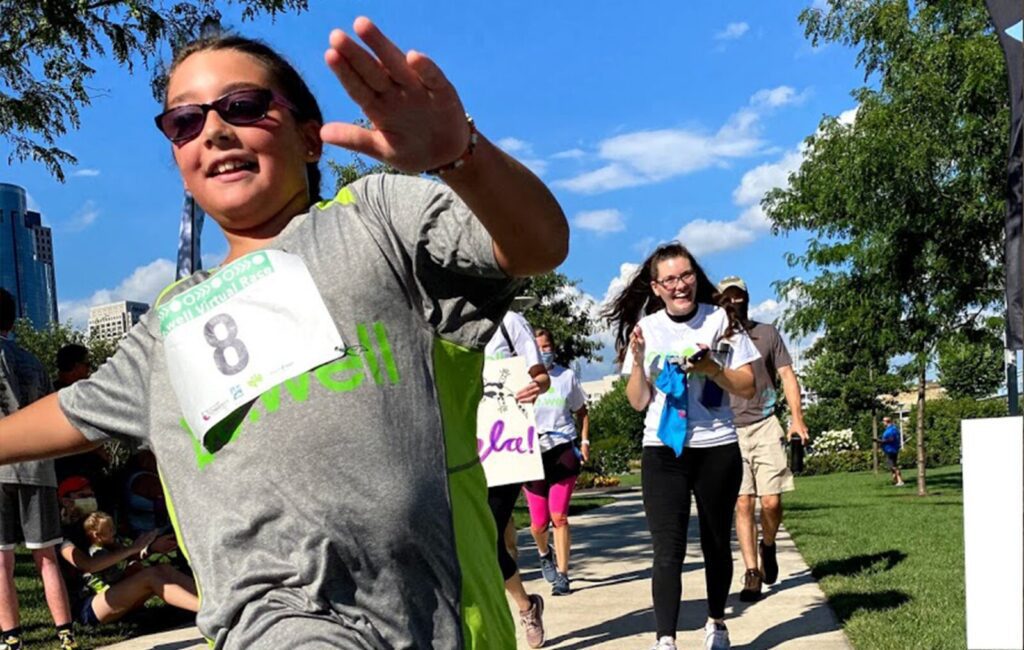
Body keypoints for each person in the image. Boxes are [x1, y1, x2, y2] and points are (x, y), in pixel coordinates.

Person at [0, 17, 568, 650]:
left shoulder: (375, 220)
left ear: (309, 137)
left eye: (242, 107)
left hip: (430, 618)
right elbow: (73, 412)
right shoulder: (171, 319)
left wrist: (461, 156)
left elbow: (538, 244)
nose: (213, 131)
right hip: (265, 625)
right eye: (184, 122)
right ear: (179, 162)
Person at [603, 242, 759, 650]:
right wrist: (637, 362)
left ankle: (716, 622)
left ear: (695, 276)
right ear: (656, 287)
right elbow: (638, 401)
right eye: (669, 279)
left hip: (716, 447)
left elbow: (747, 387)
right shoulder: (648, 329)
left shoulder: (721, 321)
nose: (680, 285)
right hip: (663, 450)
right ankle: (665, 639)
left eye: (686, 275)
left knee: (715, 543)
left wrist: (712, 368)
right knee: (666, 549)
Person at [716, 276, 810, 602]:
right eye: (727, 298)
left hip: (766, 423)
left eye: (738, 297)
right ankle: (752, 571)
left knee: (771, 501)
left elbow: (786, 375)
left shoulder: (767, 333)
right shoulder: (716, 340)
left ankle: (768, 544)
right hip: (730, 429)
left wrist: (797, 419)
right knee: (743, 502)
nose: (734, 303)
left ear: (747, 298)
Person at [0, 289, 78, 650]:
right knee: (46, 555)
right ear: (12, 322)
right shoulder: (33, 361)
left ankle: (12, 638)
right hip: (39, 467)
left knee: (2, 559)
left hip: (1, 465)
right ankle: (65, 634)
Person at [483, 310, 550, 647]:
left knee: (486, 533)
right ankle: (524, 604)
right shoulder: (443, 316)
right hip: (456, 445)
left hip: (503, 448)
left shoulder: (509, 322)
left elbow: (542, 377)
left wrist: (535, 386)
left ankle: (523, 610)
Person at [56, 482, 198, 628]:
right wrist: (133, 548)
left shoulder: (96, 525)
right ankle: (207, 611)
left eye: (91, 495)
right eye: (83, 496)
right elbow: (88, 565)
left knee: (163, 569)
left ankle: (212, 603)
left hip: (111, 593)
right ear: (66, 501)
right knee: (150, 577)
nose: (90, 499)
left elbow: (123, 556)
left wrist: (151, 548)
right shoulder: (61, 536)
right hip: (86, 607)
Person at [524, 328, 589, 597]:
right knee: (538, 524)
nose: (544, 352)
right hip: (532, 452)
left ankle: (563, 575)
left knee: (559, 516)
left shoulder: (566, 377)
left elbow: (582, 411)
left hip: (562, 448)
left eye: (547, 346)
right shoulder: (522, 379)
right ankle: (544, 553)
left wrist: (584, 442)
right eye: (538, 348)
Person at [876, 417, 905, 486]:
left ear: (887, 422)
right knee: (892, 466)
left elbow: (891, 439)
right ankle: (895, 480)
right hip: (890, 449)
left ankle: (900, 480)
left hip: (891, 449)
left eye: (883, 421)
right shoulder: (891, 429)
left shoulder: (891, 430)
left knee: (893, 466)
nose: (883, 423)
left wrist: (880, 441)